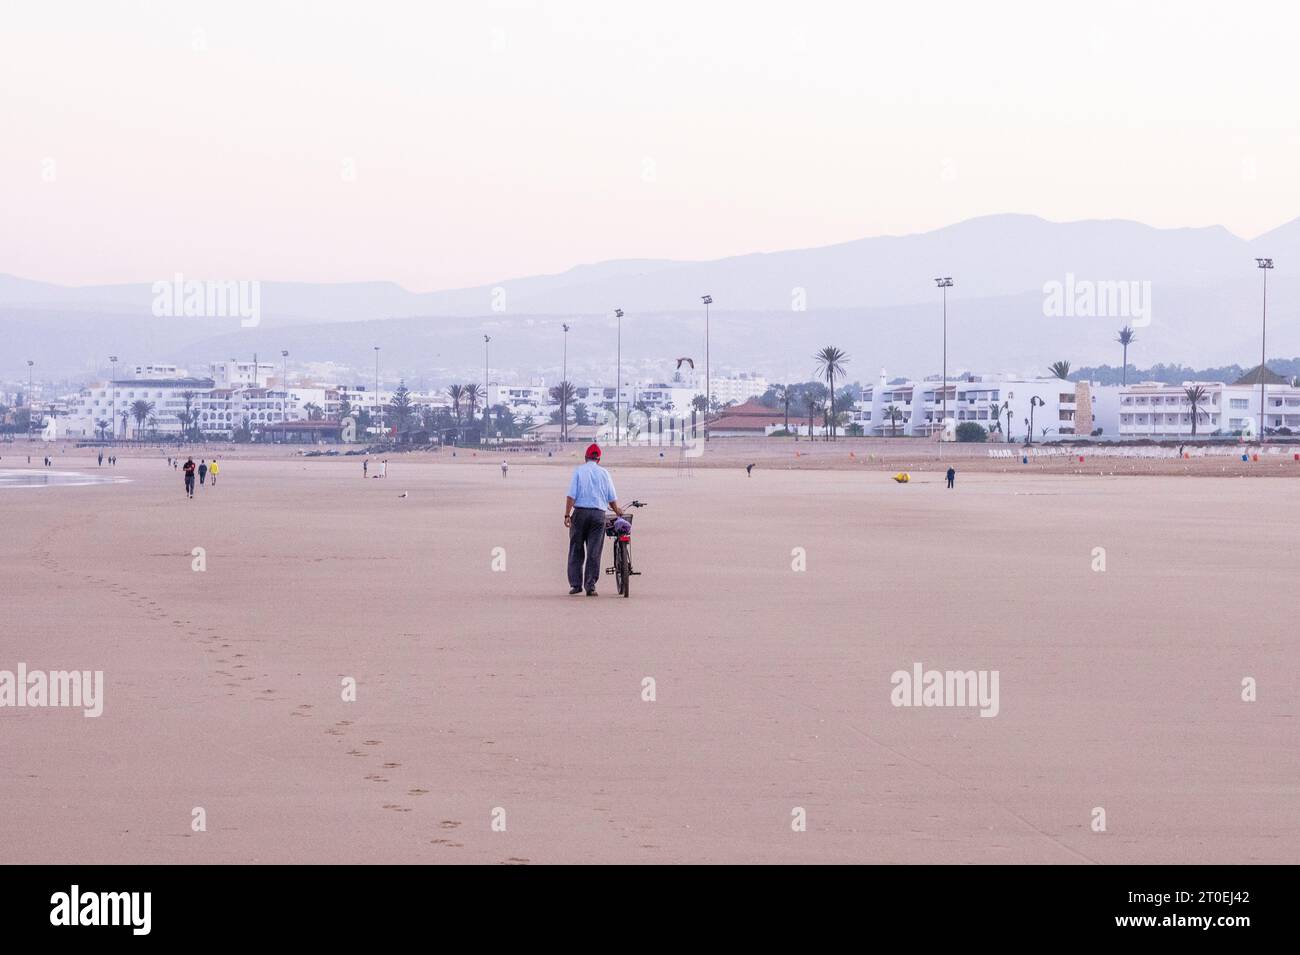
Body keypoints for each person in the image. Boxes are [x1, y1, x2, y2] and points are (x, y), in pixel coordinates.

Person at [564, 443, 623, 596]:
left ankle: (576, 585)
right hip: (598, 515)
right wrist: (617, 511)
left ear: (585, 457)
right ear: (599, 459)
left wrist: (566, 514)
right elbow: (611, 497)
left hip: (580, 514)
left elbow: (571, 495)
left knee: (576, 549)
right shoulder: (604, 473)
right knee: (594, 551)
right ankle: (590, 586)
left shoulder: (579, 471)